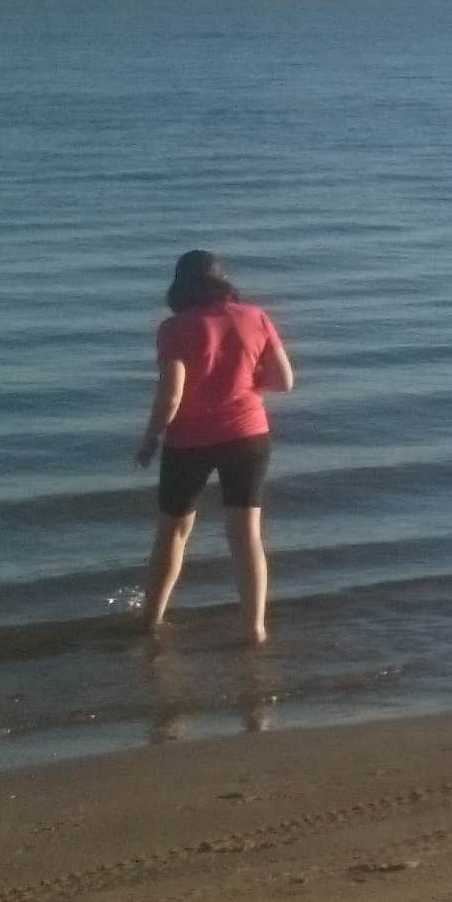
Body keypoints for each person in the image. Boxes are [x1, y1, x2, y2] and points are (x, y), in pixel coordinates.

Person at [136, 250, 294, 644]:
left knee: (173, 533)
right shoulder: (255, 317)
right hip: (249, 435)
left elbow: (171, 396)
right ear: (222, 281)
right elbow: (284, 380)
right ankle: (255, 628)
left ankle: (150, 622)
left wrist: (150, 437)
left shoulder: (174, 329)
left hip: (189, 441)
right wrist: (244, 387)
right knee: (246, 535)